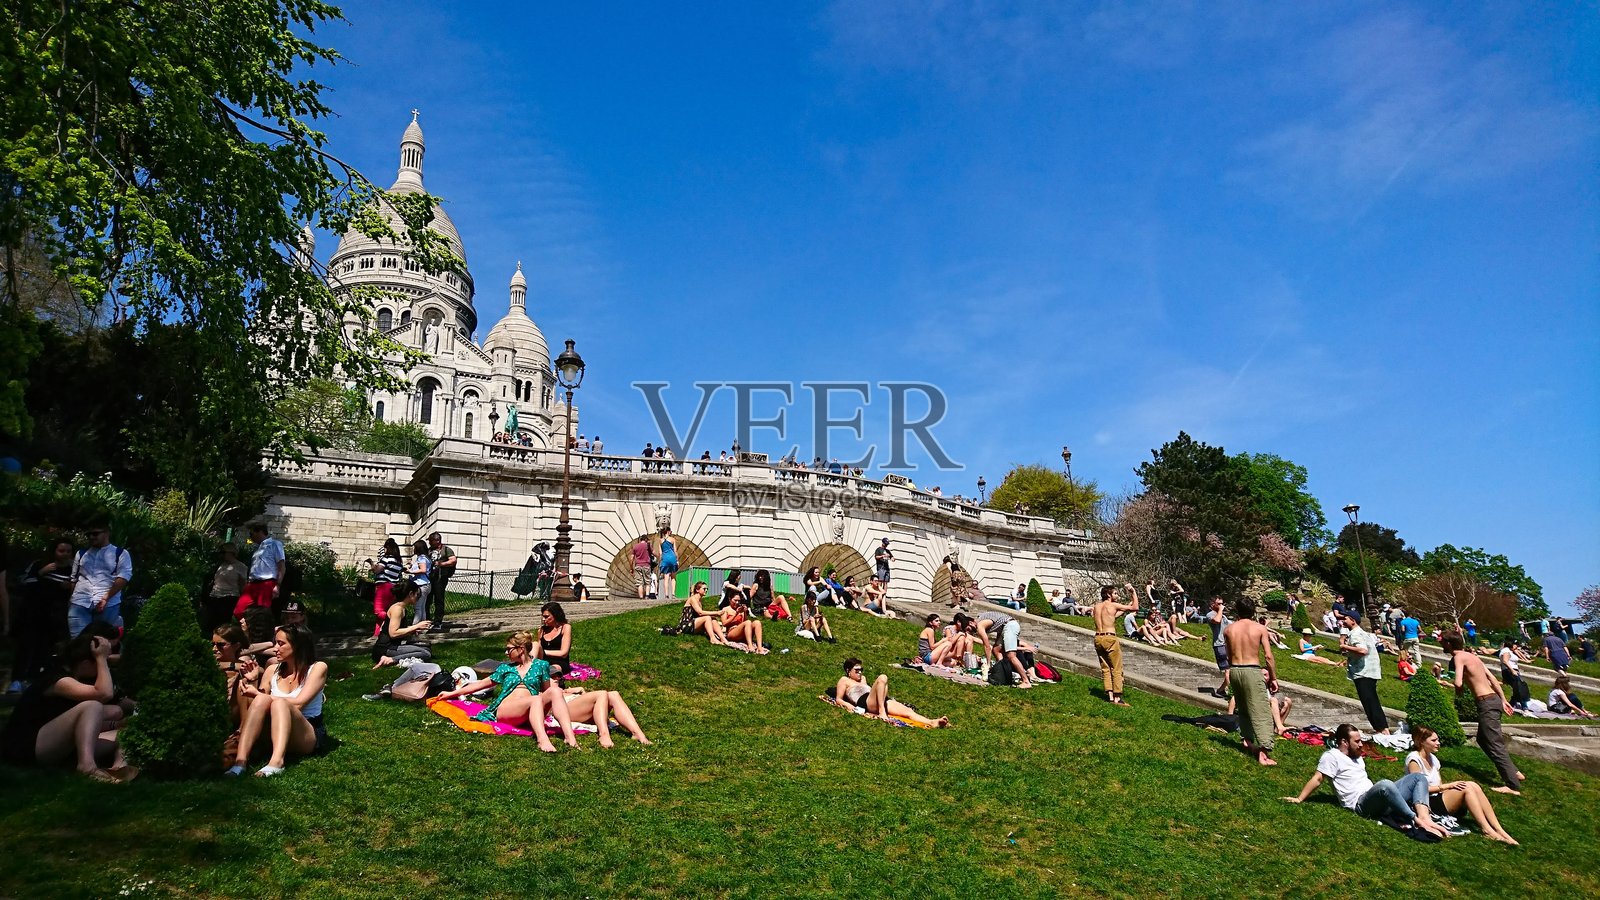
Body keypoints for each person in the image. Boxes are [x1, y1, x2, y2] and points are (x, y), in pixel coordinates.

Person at [0, 633, 135, 783]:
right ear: (85, 663)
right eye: (98, 664)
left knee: (125, 734)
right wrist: (101, 659)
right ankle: (87, 767)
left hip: (57, 743)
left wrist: (117, 724)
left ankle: (119, 769)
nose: (103, 669)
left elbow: (85, 725)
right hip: (27, 747)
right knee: (93, 705)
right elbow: (104, 693)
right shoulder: (59, 680)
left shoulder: (75, 678)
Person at [1282, 723, 1449, 838]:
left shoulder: (1356, 757)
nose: (1361, 744)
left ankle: (1425, 818)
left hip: (1374, 798)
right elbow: (1318, 779)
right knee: (1385, 785)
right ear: (1344, 742)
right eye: (1357, 741)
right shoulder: (1332, 756)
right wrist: (1299, 798)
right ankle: (1415, 819)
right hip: (1361, 805)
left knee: (1418, 777)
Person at [437, 631, 577, 753]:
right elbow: (480, 684)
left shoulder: (541, 665)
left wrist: (562, 692)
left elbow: (546, 690)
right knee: (535, 699)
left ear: (521, 649)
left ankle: (570, 737)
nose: (506, 653)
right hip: (507, 710)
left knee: (555, 691)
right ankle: (542, 739)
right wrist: (451, 694)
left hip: (531, 708)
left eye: (509, 649)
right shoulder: (506, 668)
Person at [225, 624, 329, 777]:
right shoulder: (271, 670)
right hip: (272, 730)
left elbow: (299, 703)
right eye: (275, 643)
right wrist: (253, 681)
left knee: (280, 703)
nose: (275, 649)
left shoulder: (318, 667)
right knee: (262, 700)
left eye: (281, 644)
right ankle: (240, 763)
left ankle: (277, 762)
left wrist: (259, 694)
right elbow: (257, 705)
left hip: (306, 732)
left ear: (298, 645)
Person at [1405, 726, 1518, 844]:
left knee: (1473, 785)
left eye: (1438, 739)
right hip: (1424, 803)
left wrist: (1448, 790)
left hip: (1437, 797)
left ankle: (1499, 829)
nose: (1438, 743)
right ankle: (1487, 830)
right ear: (1421, 741)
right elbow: (1418, 789)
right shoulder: (1414, 759)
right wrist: (1448, 787)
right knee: (1467, 788)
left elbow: (1439, 784)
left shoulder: (1433, 759)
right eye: (1434, 740)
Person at [1443, 632, 1523, 794]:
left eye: (1442, 642)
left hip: (1486, 702)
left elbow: (1458, 682)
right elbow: (1492, 678)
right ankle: (1514, 772)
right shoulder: (1473, 657)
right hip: (1492, 700)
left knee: (1494, 742)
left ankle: (1512, 785)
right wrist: (1503, 699)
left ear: (1449, 644)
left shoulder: (1458, 657)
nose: (1441, 644)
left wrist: (1457, 689)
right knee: (1483, 739)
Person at [11, 538, 75, 691]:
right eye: (61, 551)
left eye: (68, 551)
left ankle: (33, 680)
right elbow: (23, 582)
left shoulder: (73, 570)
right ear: (54, 551)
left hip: (54, 617)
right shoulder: (40, 564)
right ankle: (17, 680)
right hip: (32, 614)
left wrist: (69, 587)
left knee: (44, 649)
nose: (65, 554)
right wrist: (41, 573)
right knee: (26, 646)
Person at [1223, 598, 1280, 766]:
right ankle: (1264, 752)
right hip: (1252, 670)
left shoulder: (1229, 629)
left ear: (1237, 610)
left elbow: (1228, 655)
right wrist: (1273, 677)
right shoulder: (1260, 628)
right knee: (1261, 710)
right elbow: (1268, 656)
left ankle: (1247, 740)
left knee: (1243, 708)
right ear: (1253, 611)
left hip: (1235, 670)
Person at [828, 658, 949, 727]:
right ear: (848, 671)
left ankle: (932, 722)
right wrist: (848, 705)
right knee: (882, 678)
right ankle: (882, 712)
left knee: (908, 711)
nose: (860, 673)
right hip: (865, 702)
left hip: (878, 699)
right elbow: (838, 699)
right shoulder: (844, 680)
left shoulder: (863, 679)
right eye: (857, 670)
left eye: (861, 670)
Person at [67, 521, 131, 637]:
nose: (91, 537)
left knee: (103, 640)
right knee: (78, 642)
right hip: (80, 602)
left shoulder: (120, 553)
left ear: (106, 533)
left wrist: (106, 597)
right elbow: (74, 578)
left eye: (95, 534)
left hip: (108, 604)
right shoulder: (81, 553)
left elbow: (123, 577)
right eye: (88, 534)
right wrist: (71, 599)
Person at [1336, 609, 1389, 734]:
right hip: (1370, 672)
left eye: (1345, 619)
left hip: (1363, 673)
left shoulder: (1356, 634)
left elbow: (1362, 650)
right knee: (1372, 701)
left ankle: (1382, 730)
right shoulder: (1362, 633)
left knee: (1369, 702)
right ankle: (1383, 729)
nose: (1343, 621)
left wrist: (1344, 646)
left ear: (1353, 620)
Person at [1088, 584, 1139, 705]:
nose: (1117, 596)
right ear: (1108, 594)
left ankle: (1110, 697)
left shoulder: (1097, 607)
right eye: (1115, 593)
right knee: (1116, 668)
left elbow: (1112, 616)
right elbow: (1135, 607)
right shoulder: (1113, 605)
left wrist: (1125, 607)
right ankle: (1118, 698)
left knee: (1105, 668)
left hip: (1098, 638)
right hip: (1110, 638)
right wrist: (1133, 592)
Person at [958, 609, 1032, 689]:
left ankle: (1026, 681)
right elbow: (998, 624)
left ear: (971, 623)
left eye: (968, 629)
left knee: (1011, 655)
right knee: (996, 650)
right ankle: (1004, 674)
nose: (971, 632)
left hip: (1009, 626)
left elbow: (987, 646)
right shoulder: (981, 619)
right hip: (1005, 627)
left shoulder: (979, 626)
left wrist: (988, 664)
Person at [560, 686, 652, 748]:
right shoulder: (551, 684)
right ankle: (604, 734)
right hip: (562, 705)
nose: (557, 677)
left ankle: (637, 733)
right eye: (554, 675)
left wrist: (580, 690)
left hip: (575, 701)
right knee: (601, 693)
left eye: (558, 675)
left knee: (613, 694)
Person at [371, 580, 433, 667]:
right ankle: (390, 659)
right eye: (417, 594)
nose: (418, 597)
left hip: (393, 646)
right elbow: (393, 633)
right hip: (386, 648)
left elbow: (398, 629)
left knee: (426, 648)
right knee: (425, 653)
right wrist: (415, 626)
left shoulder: (402, 608)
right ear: (411, 594)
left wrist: (413, 630)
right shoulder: (397, 609)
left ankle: (397, 658)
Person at [236, 521, 286, 619]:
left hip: (266, 583)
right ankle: (249, 626)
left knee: (262, 612)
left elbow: (281, 565)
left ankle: (260, 628)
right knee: (239, 611)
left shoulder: (274, 544)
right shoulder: (257, 549)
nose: (250, 537)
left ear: (260, 532)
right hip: (252, 584)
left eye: (251, 534)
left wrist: (277, 585)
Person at [203, 543, 249, 635]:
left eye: (224, 552)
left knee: (223, 623)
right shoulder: (221, 565)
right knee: (211, 622)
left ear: (231, 552)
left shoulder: (241, 566)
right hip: (215, 596)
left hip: (229, 597)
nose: (222, 555)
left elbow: (242, 584)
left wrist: (242, 599)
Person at [371, 538, 405, 629]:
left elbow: (377, 570)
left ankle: (393, 619)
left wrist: (372, 564)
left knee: (378, 611)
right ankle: (378, 632)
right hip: (393, 587)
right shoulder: (399, 561)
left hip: (383, 587)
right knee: (386, 608)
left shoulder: (386, 558)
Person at [537, 602, 573, 681]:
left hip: (559, 662)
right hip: (544, 661)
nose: (543, 619)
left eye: (546, 617)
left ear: (555, 615)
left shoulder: (565, 628)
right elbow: (538, 648)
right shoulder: (541, 630)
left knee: (552, 670)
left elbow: (563, 653)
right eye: (543, 616)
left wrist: (543, 652)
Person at [426, 531, 456, 626]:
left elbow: (453, 561)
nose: (429, 542)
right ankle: (427, 619)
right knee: (428, 599)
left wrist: (441, 564)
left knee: (439, 599)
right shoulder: (429, 550)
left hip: (440, 578)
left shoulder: (446, 550)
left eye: (431, 540)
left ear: (437, 540)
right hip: (429, 578)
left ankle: (438, 620)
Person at [1205, 597, 1231, 699]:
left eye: (1222, 603)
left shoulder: (1223, 616)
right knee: (1228, 671)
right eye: (1218, 604)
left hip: (1227, 645)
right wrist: (1220, 610)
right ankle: (1233, 693)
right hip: (1219, 645)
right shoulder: (1210, 615)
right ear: (1212, 605)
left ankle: (1221, 690)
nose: (1221, 605)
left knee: (1231, 670)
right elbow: (1217, 620)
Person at [1497, 637, 1531, 710]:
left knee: (1517, 687)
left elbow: (1514, 659)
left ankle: (1512, 703)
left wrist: (1526, 661)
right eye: (1515, 645)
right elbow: (1505, 661)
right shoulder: (1506, 650)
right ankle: (1524, 706)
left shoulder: (1510, 651)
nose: (1516, 646)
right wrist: (1512, 671)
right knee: (1520, 688)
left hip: (1513, 670)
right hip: (1509, 671)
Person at [407, 539, 433, 627]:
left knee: (418, 608)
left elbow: (423, 570)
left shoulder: (421, 558)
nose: (413, 549)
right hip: (426, 584)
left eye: (414, 547)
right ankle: (423, 625)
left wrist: (410, 572)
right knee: (422, 607)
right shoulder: (425, 558)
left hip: (421, 585)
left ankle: (415, 627)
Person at [655, 527, 680, 599]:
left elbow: (660, 553)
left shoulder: (660, 541)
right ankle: (673, 594)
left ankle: (666, 595)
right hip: (672, 559)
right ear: (668, 532)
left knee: (666, 578)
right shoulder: (672, 539)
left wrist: (660, 561)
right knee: (673, 577)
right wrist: (677, 560)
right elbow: (675, 550)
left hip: (665, 559)